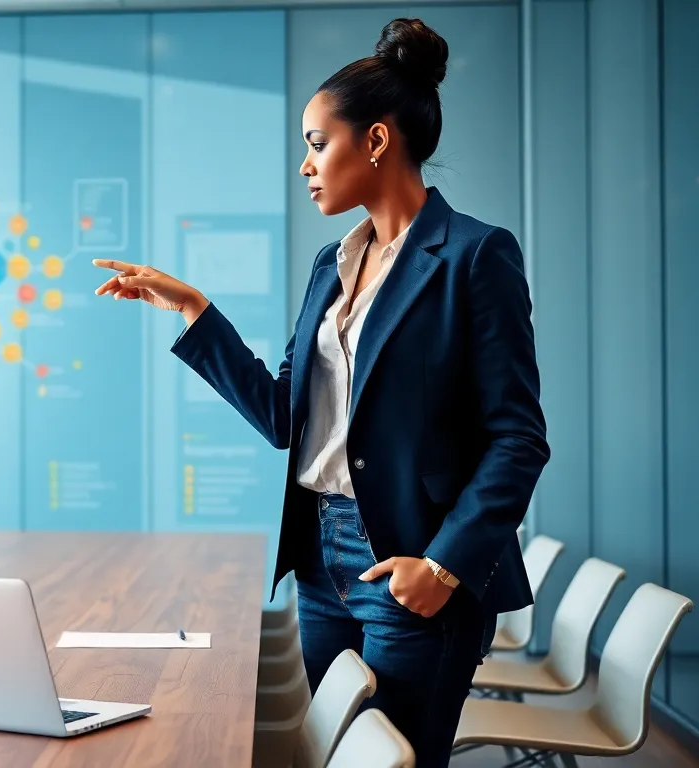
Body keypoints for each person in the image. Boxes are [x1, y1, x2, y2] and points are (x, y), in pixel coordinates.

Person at [93, 18, 548, 767]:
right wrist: (193, 310)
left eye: (315, 142)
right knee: (339, 757)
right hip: (323, 559)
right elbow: (286, 417)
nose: (305, 165)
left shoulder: (474, 255)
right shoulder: (330, 266)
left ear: (374, 142)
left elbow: (518, 438)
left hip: (411, 562)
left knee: (398, 760)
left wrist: (443, 567)